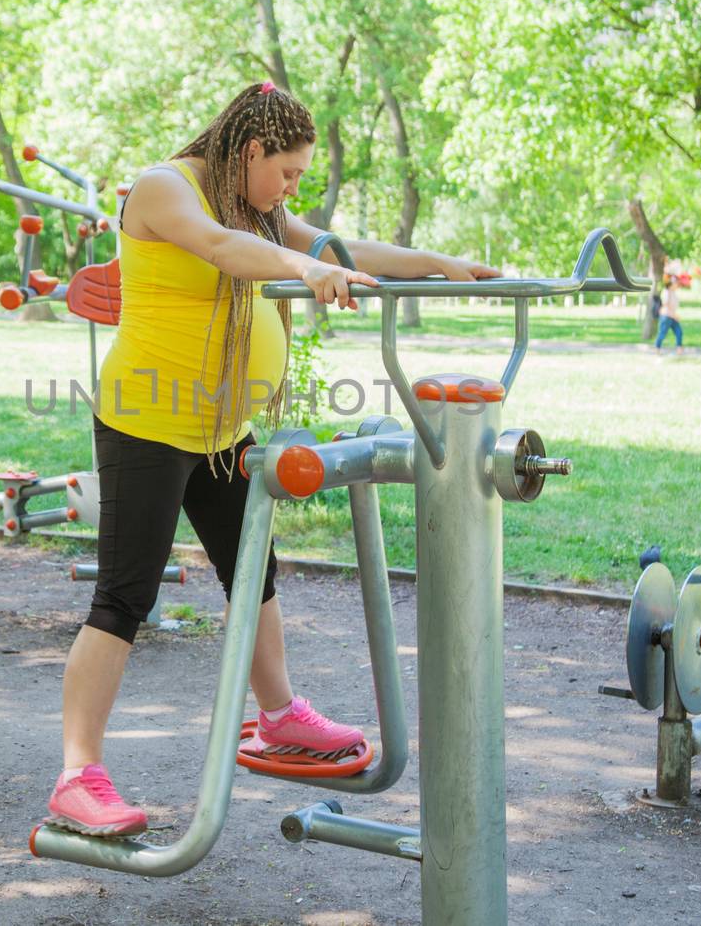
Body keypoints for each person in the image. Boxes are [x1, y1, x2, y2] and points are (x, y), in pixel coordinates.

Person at [46, 81, 500, 837]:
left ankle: (280, 715)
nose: (292, 188)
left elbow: (336, 248)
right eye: (287, 172)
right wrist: (304, 265)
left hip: (221, 429)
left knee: (253, 571)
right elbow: (223, 250)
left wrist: (441, 263)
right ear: (251, 151)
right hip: (147, 426)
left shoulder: (256, 210)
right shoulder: (167, 188)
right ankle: (76, 775)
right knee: (123, 598)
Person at [655, 273, 684, 353]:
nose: (677, 285)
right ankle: (657, 348)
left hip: (672, 316)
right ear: (671, 284)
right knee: (663, 333)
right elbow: (666, 305)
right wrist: (675, 315)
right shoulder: (666, 292)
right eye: (676, 283)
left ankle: (679, 348)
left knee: (679, 332)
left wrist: (674, 315)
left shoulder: (674, 293)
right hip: (666, 316)